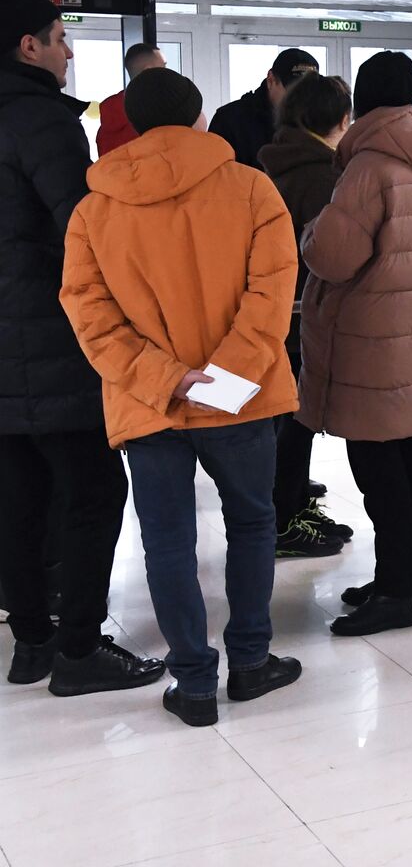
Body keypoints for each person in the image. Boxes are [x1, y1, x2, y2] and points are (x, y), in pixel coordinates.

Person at [60, 66, 304, 728]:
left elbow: (90, 315)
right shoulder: (252, 190)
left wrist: (167, 378)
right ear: (199, 117)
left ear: (131, 125)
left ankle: (195, 686)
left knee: (167, 544)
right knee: (253, 524)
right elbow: (274, 292)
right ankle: (250, 664)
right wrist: (223, 375)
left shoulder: (93, 211)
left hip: (149, 404)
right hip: (241, 398)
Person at [0, 0, 163, 696]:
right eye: (60, 36)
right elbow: (82, 230)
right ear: (27, 47)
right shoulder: (40, 120)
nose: (68, 50)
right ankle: (77, 651)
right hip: (49, 340)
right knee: (96, 488)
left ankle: (31, 641)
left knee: (19, 494)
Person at [296, 51, 412, 636]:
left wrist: (311, 230)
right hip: (411, 328)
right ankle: (404, 578)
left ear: (363, 99)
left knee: (375, 463)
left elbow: (334, 254)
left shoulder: (369, 164)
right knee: (407, 455)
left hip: (368, 332)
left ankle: (392, 591)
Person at [259, 73, 355, 558]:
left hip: (275, 313)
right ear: (340, 120)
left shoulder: (276, 162)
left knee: (288, 420)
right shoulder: (321, 176)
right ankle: (282, 521)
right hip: (302, 315)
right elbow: (329, 254)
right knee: (295, 423)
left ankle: (291, 508)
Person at [209, 48, 320, 170]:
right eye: (292, 90)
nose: (300, 98)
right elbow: (217, 176)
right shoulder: (230, 120)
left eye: (308, 91)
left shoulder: (320, 121)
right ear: (271, 80)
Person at [95, 43, 165, 156]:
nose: (168, 74)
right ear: (149, 72)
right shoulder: (152, 120)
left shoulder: (108, 123)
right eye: (164, 67)